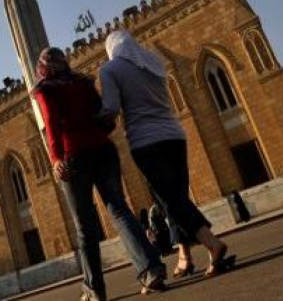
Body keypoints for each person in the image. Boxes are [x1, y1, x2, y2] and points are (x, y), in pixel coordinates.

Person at [33, 47, 167, 301]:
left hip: (74, 157)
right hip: (104, 151)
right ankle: (151, 270)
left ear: (43, 66)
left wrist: (55, 158)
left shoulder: (46, 88)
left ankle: (94, 290)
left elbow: (50, 121)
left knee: (85, 227)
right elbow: (102, 112)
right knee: (119, 209)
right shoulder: (82, 82)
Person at [99, 30, 235, 278]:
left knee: (172, 200)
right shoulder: (152, 62)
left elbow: (110, 108)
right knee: (174, 198)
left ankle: (213, 244)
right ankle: (185, 257)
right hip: (175, 135)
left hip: (146, 142)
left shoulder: (110, 69)